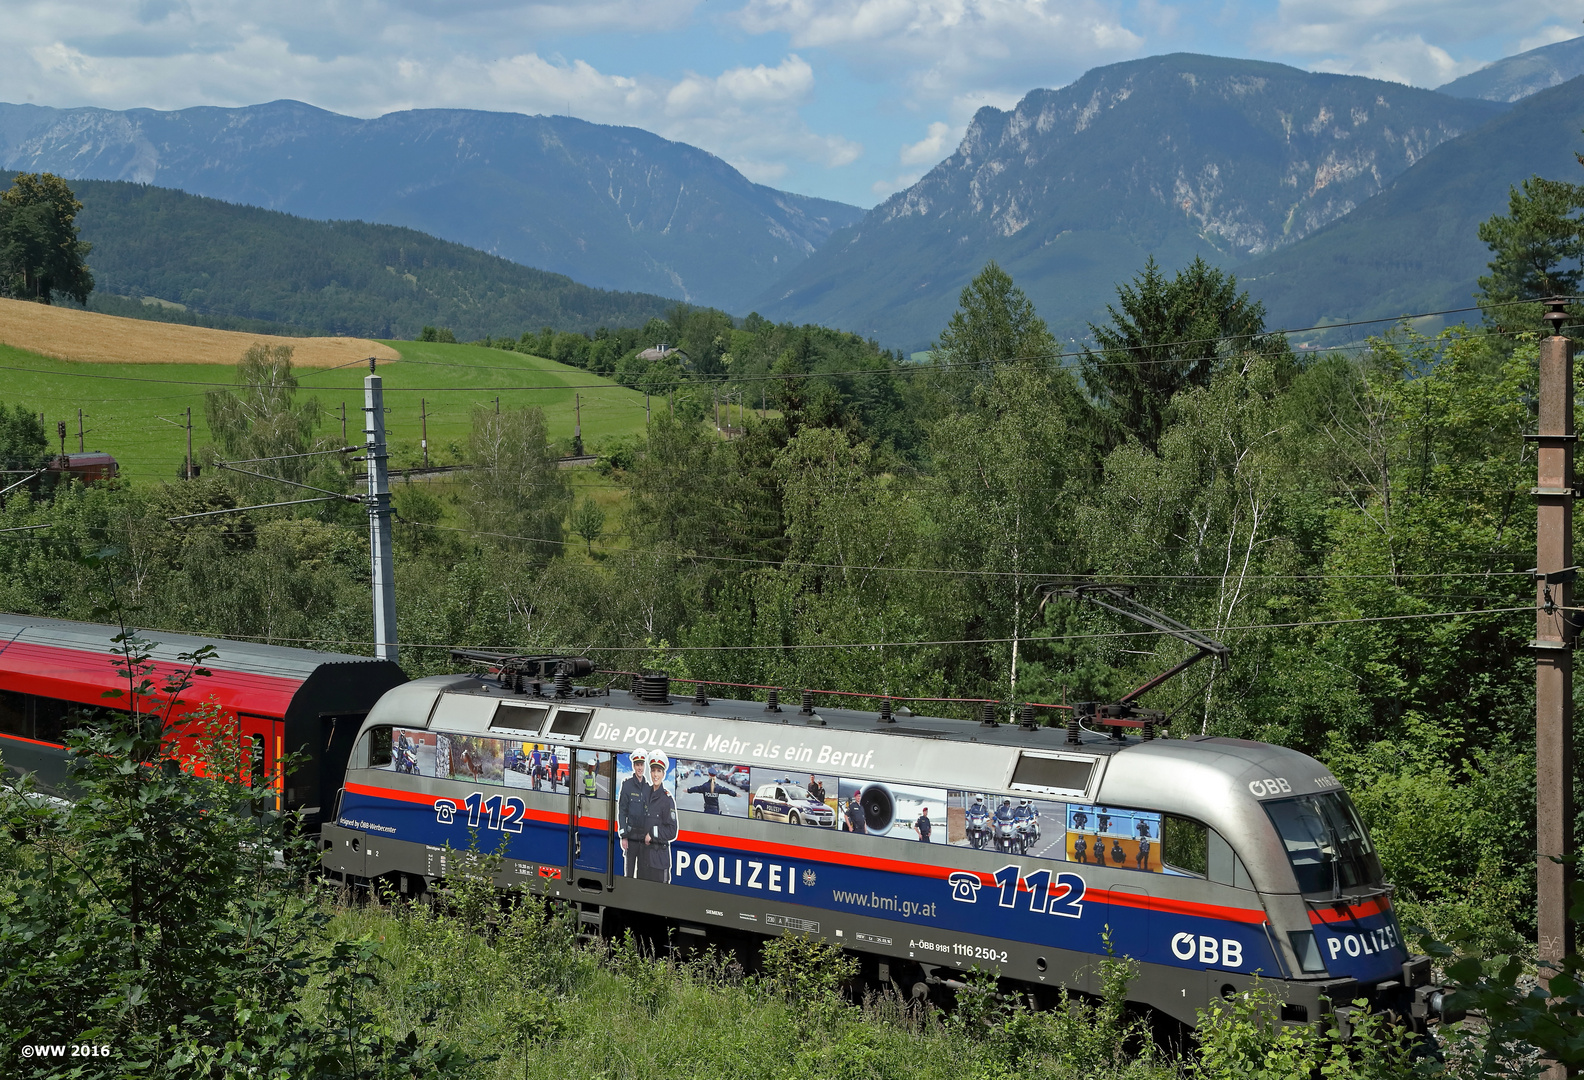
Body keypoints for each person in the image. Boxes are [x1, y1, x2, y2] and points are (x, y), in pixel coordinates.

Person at [636, 749, 677, 883]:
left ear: (663, 774)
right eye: (653, 770)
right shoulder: (645, 794)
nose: (655, 774)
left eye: (659, 771)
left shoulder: (667, 800)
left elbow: (672, 831)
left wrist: (652, 834)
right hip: (643, 859)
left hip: (659, 861)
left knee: (659, 899)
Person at [617, 749, 649, 877]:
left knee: (643, 871)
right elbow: (622, 812)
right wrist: (624, 836)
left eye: (641, 764)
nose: (640, 768)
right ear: (633, 766)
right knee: (629, 871)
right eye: (637, 765)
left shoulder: (648, 788)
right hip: (631, 836)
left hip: (644, 837)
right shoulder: (627, 786)